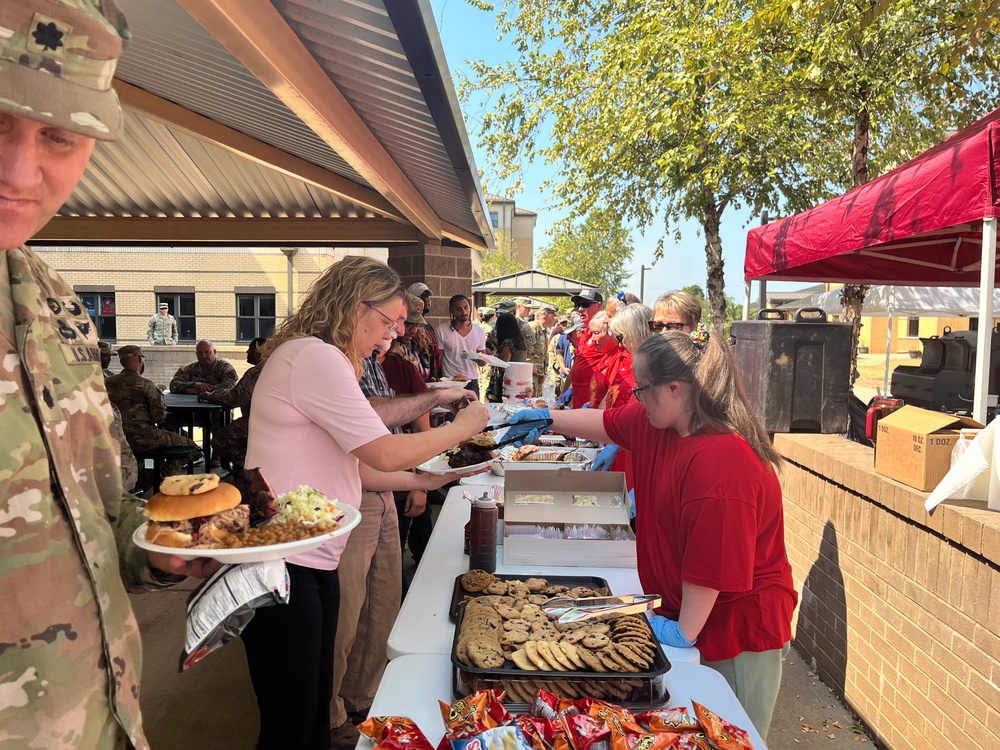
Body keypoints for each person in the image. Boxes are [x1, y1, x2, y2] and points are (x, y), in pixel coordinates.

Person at [0, 3, 215, 746]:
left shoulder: (53, 298)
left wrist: (156, 547)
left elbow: (100, 505)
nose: (19, 171)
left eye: (57, 135)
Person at [243, 256, 488, 750]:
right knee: (292, 724)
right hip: (282, 560)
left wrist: (426, 478)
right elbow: (381, 447)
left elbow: (356, 467)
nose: (391, 336)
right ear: (356, 306)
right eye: (387, 322)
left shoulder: (316, 357)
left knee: (310, 715)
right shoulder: (316, 356)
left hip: (307, 556)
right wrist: (461, 429)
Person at [503, 331, 797, 740]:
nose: (636, 397)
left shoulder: (720, 463)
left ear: (675, 389)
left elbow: (712, 564)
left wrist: (683, 631)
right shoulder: (658, 419)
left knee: (729, 737)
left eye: (641, 389)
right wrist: (546, 417)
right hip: (686, 611)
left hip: (734, 631)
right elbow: (606, 423)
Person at [106, 345, 203, 474]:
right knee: (193, 447)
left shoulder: (106, 383)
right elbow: (159, 417)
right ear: (140, 359)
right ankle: (160, 474)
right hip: (144, 437)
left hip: (114, 436)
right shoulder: (147, 385)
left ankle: (141, 475)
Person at [198, 337, 267, 469]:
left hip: (257, 421)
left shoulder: (257, 372)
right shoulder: (274, 366)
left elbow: (235, 398)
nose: (247, 352)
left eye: (251, 349)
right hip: (270, 420)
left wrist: (210, 396)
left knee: (219, 440)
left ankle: (251, 468)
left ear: (259, 351)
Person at [436, 294, 487, 397]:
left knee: (472, 412)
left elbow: (483, 362)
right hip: (450, 381)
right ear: (452, 310)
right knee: (449, 413)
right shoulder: (442, 330)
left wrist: (474, 357)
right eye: (458, 309)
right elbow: (438, 359)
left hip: (471, 381)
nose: (463, 312)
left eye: (466, 307)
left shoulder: (479, 331)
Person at [569, 288, 606, 408]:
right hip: (579, 400)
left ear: (599, 306)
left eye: (585, 304)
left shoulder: (605, 333)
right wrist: (569, 390)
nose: (580, 309)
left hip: (593, 403)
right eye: (578, 305)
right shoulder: (586, 331)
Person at [169, 339, 238, 394]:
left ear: (214, 352)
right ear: (196, 354)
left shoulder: (225, 368)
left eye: (207, 352)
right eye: (200, 353)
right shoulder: (190, 368)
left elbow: (230, 388)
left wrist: (201, 391)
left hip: (217, 408)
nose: (204, 356)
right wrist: (194, 384)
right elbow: (173, 385)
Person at [485, 311, 527, 402]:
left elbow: (503, 366)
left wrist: (491, 355)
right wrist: (496, 344)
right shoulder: (520, 340)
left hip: (508, 383)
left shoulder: (508, 343)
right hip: (519, 381)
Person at [406, 281, 443, 381]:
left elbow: (434, 357)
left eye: (428, 296)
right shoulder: (404, 334)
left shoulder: (429, 328)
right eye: (422, 296)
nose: (427, 300)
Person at [529, 302, 557, 396]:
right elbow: (527, 351)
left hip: (539, 374)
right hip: (530, 373)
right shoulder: (533, 328)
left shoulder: (544, 330)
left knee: (537, 400)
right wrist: (533, 367)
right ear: (550, 316)